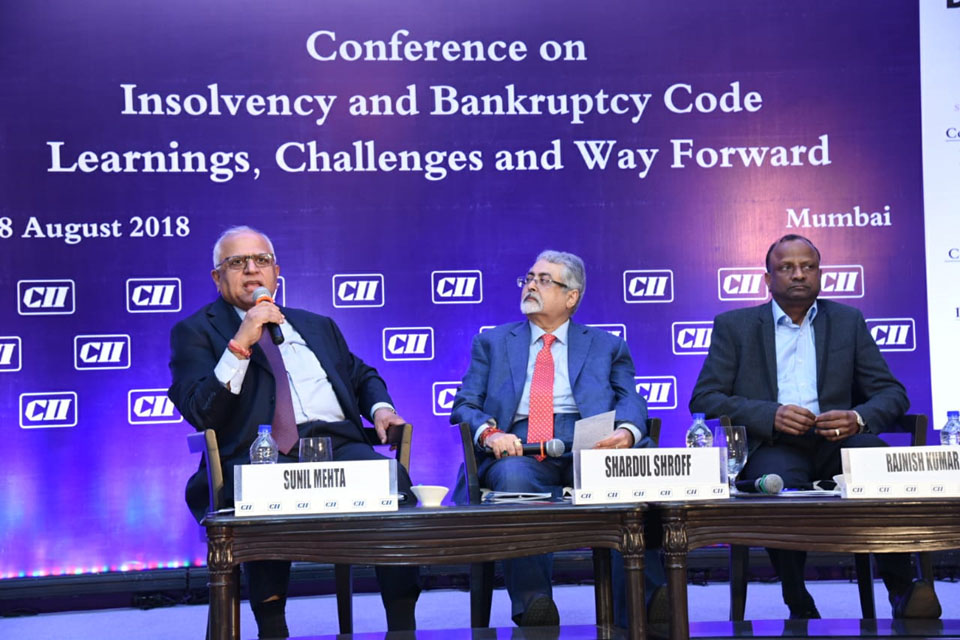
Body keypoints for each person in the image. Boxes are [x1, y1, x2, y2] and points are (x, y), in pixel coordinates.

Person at [168, 226, 420, 639]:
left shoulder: (315, 325)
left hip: (337, 446)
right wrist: (241, 342)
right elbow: (200, 411)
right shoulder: (196, 332)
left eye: (261, 260)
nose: (252, 270)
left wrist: (382, 410)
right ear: (217, 277)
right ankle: (273, 629)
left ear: (276, 272)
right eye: (237, 262)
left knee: (394, 485)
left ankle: (402, 627)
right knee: (262, 493)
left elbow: (361, 375)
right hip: (260, 452)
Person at [690, 233, 941, 619]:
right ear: (767, 278)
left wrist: (857, 419)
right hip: (773, 444)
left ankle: (903, 590)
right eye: (786, 267)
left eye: (808, 266)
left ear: (820, 274)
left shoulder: (847, 321)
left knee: (877, 461)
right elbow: (705, 398)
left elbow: (892, 393)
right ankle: (797, 598)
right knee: (777, 483)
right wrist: (769, 414)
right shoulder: (735, 326)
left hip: (838, 442)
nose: (798, 275)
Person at [450, 250, 666, 628]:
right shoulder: (492, 342)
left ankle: (644, 605)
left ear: (571, 296)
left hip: (591, 443)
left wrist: (626, 432)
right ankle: (535, 605)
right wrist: (490, 433)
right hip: (519, 446)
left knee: (633, 479)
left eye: (544, 280)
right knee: (513, 481)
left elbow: (631, 398)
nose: (531, 285)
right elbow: (465, 404)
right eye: (529, 278)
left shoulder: (607, 345)